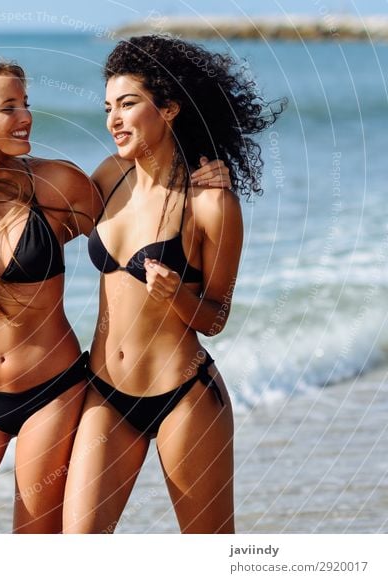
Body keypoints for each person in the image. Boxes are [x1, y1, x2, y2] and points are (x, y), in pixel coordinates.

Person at [0, 57, 230, 534]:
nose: (26, 116)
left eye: (26, 103)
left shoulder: (59, 185)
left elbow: (138, 202)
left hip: (54, 391)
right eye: (9, 107)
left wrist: (202, 177)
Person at [63, 35, 282, 534]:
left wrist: (177, 295)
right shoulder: (110, 177)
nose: (113, 119)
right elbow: (48, 212)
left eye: (128, 104)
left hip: (184, 395)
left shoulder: (211, 204)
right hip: (105, 394)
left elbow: (217, 316)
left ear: (169, 109)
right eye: (108, 107)